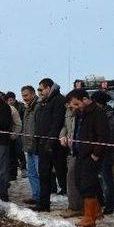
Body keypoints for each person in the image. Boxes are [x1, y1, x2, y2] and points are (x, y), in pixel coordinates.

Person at [66, 89, 109, 227]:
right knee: (79, 181)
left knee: (88, 185)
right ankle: (96, 211)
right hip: (80, 153)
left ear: (85, 99)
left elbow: (103, 135)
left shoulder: (98, 113)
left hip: (91, 155)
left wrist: (95, 154)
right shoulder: (81, 113)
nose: (75, 107)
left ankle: (89, 217)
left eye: (76, 104)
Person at [33, 78, 66, 212]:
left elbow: (57, 123)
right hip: (42, 144)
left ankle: (80, 204)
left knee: (63, 176)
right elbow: (39, 124)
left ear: (48, 88)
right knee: (44, 175)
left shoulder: (58, 100)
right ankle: (43, 204)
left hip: (55, 146)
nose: (39, 92)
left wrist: (50, 142)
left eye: (41, 89)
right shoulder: (43, 102)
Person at [91, 91, 114, 214]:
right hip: (99, 151)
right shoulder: (100, 113)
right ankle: (102, 202)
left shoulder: (110, 115)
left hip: (107, 152)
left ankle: (110, 206)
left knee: (107, 180)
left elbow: (113, 135)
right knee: (100, 179)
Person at [59, 100, 82, 218]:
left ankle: (76, 207)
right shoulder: (68, 111)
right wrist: (62, 135)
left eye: (70, 103)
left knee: (72, 177)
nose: (68, 106)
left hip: (80, 150)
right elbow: (65, 126)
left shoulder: (81, 112)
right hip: (71, 149)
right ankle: (74, 206)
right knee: (71, 178)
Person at [21, 86, 40, 205]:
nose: (24, 98)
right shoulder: (27, 108)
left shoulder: (38, 106)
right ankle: (36, 195)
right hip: (28, 145)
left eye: (26, 95)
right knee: (32, 173)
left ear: (33, 94)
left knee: (39, 173)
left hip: (37, 145)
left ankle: (42, 198)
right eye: (23, 96)